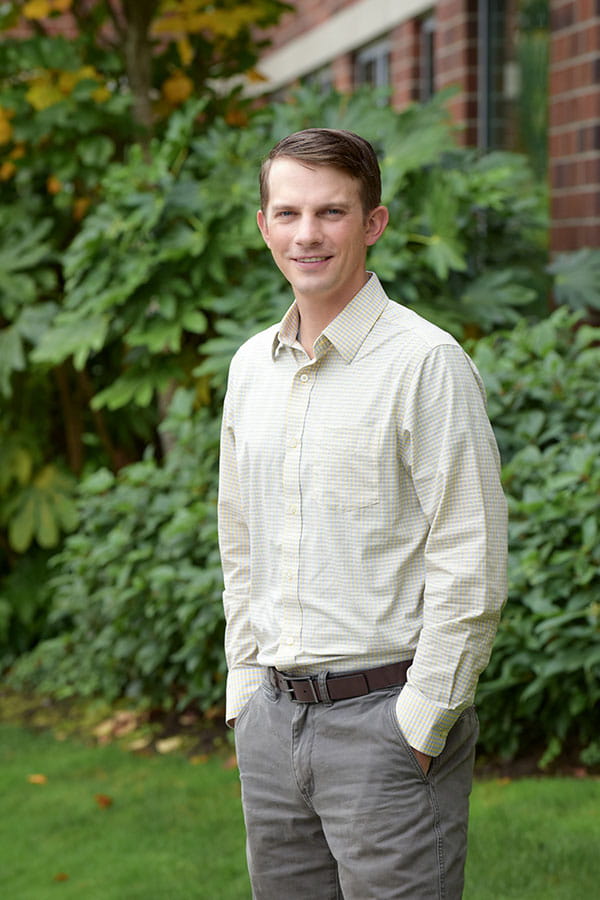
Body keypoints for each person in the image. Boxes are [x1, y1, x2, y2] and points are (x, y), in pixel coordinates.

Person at [217, 128, 507, 900]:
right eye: (288, 213)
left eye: (331, 212)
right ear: (264, 226)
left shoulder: (425, 363)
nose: (306, 234)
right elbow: (240, 540)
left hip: (386, 724)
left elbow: (471, 553)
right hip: (272, 723)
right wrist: (244, 686)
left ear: (372, 223)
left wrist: (424, 718)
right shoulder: (250, 369)